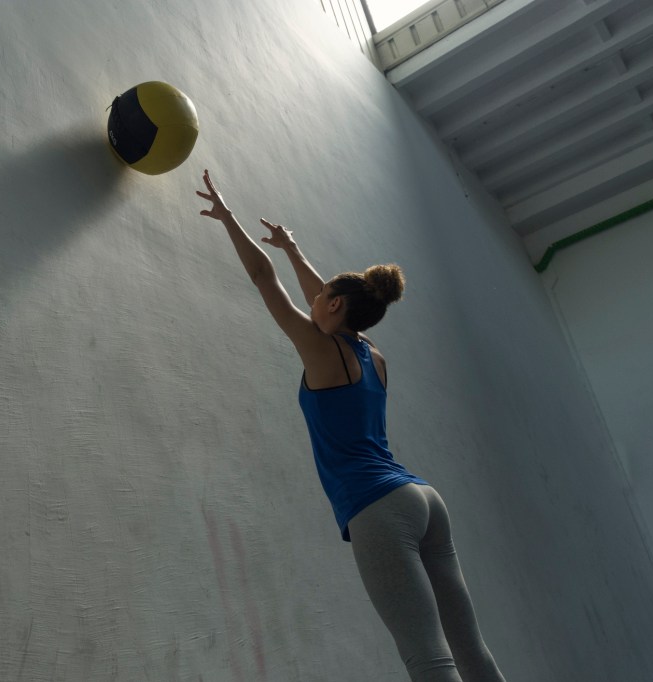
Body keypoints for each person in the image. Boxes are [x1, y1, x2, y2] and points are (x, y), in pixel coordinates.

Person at [196, 170, 506, 682]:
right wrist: (294, 249)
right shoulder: (373, 355)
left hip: (378, 509)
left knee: (428, 656)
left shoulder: (320, 351)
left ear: (335, 305)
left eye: (322, 298)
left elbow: (262, 279)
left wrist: (230, 219)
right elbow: (328, 298)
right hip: (423, 499)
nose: (312, 299)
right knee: (471, 649)